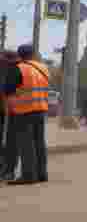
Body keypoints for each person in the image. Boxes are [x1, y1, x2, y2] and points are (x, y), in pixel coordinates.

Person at [2, 44, 49, 185]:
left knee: (26, 144)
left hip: (23, 111)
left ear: (19, 55)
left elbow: (8, 90)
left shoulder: (19, 68)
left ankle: (28, 175)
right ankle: (42, 174)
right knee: (39, 142)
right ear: (33, 54)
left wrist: (11, 104)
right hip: (40, 109)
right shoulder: (43, 68)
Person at [0, 50, 19, 180]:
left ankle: (7, 170)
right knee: (11, 142)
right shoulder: (18, 68)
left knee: (8, 142)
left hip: (7, 110)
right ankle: (9, 170)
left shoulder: (10, 69)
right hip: (14, 111)